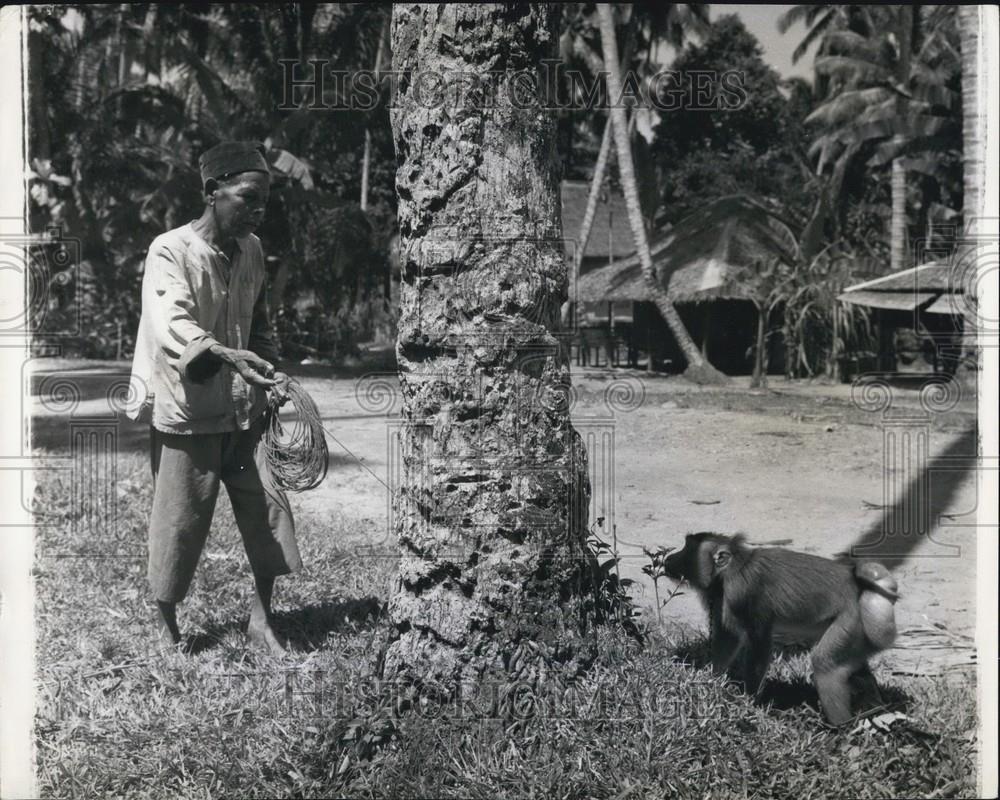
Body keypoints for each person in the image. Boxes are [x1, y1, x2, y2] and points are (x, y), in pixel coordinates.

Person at [127, 141, 297, 654]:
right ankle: (165, 624)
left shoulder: (252, 251)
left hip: (246, 408)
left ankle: (262, 619)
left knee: (269, 508)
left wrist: (269, 365)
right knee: (179, 520)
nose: (257, 211)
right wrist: (231, 356)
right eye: (248, 198)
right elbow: (173, 325)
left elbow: (260, 321)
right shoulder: (170, 250)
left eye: (264, 203)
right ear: (211, 192)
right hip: (188, 407)